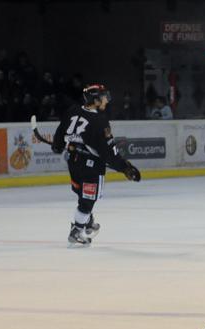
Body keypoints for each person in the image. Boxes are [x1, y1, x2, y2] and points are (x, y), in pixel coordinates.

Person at [51, 84, 141, 246]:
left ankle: (87, 220)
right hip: (91, 166)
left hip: (73, 161)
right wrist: (125, 167)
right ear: (96, 100)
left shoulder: (73, 110)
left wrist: (57, 145)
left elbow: (60, 133)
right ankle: (78, 229)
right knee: (88, 199)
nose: (107, 99)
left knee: (82, 192)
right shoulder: (99, 121)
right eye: (104, 96)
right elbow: (109, 152)